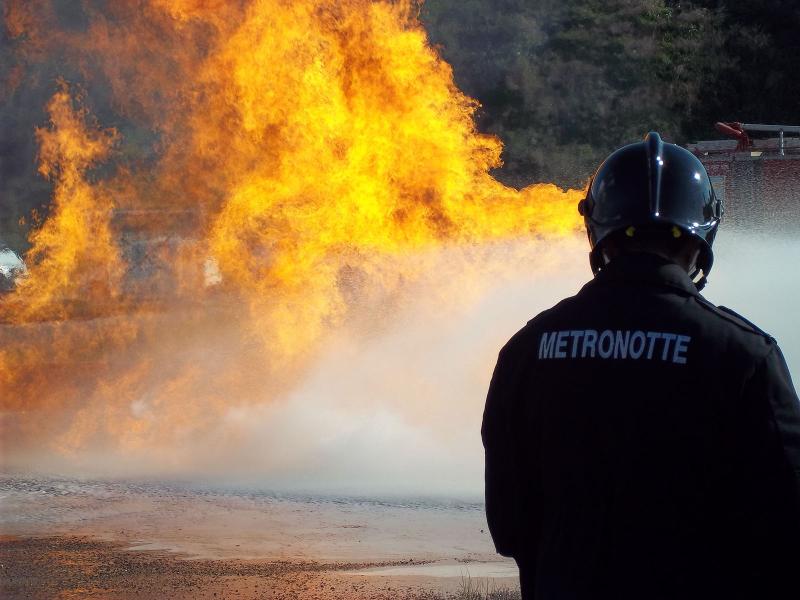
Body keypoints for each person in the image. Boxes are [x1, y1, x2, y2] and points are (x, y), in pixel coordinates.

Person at [481, 132, 800, 600]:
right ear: (703, 234)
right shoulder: (744, 355)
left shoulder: (528, 351)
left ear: (597, 230)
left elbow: (508, 528)